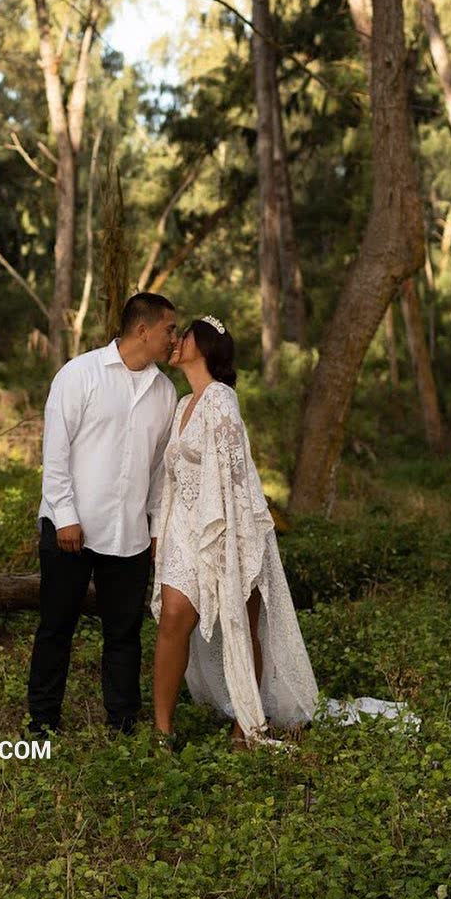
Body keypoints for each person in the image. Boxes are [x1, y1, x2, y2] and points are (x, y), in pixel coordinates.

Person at [150, 315, 319, 750]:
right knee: (173, 618)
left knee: (241, 622)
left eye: (184, 335)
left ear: (204, 346)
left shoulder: (221, 399)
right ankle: (161, 732)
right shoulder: (183, 405)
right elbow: (169, 479)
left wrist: (237, 544)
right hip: (182, 530)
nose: (175, 340)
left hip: (227, 527)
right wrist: (158, 532)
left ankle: (245, 727)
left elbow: (236, 476)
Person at [27, 292, 178, 736]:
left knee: (124, 632)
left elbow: (159, 469)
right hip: (71, 528)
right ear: (142, 330)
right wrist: (65, 516)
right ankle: (42, 722)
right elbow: (55, 452)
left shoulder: (165, 392)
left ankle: (123, 722)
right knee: (56, 627)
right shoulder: (80, 374)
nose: (174, 338)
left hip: (129, 533)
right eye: (169, 329)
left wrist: (155, 525)